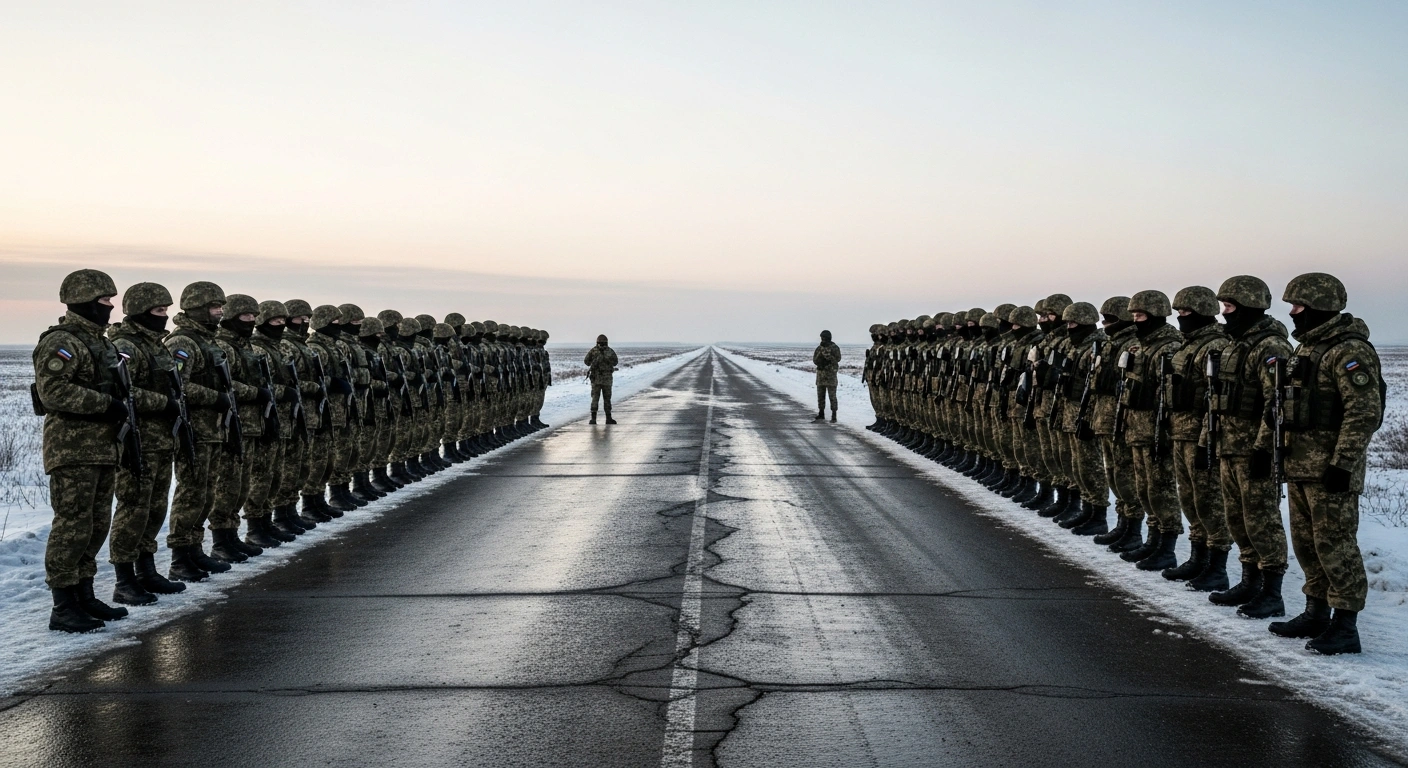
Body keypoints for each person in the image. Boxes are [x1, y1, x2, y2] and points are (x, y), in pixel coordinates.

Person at [1268, 273, 1384, 654]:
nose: (1293, 313)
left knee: (1335, 544)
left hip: (1330, 469)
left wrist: (1343, 463)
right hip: (1300, 464)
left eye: (1298, 306)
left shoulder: (1349, 350)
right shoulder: (1308, 349)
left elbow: (1363, 412)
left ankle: (1346, 625)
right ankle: (1315, 612)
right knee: (1306, 543)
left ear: (1318, 305)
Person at [33, 269, 131, 631]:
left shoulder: (102, 342)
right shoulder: (63, 342)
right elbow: (53, 392)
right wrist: (105, 404)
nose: (110, 307)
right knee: (72, 525)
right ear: (85, 301)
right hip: (72, 449)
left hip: (104, 447)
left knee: (96, 524)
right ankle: (63, 606)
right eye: (105, 300)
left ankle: (84, 595)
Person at [107, 282, 187, 605]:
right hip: (138, 441)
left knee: (155, 508)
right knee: (133, 508)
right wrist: (162, 403)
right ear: (141, 312)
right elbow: (124, 392)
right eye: (158, 311)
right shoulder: (126, 345)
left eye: (166, 310)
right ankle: (124, 580)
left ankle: (146, 570)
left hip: (161, 441)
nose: (164, 317)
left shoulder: (158, 346)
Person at [585, 335, 618, 424]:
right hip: (607, 379)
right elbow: (615, 362)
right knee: (607, 398)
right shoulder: (610, 351)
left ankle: (593, 419)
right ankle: (608, 418)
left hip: (596, 379)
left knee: (595, 398)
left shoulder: (593, 351)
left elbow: (586, 362)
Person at [813, 330, 842, 422]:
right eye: (822, 337)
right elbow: (815, 360)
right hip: (821, 375)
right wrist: (820, 358)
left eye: (824, 337)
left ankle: (834, 415)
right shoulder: (819, 348)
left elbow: (838, 358)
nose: (822, 339)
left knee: (832, 396)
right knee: (820, 395)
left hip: (830, 376)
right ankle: (821, 413)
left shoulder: (834, 348)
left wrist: (829, 358)